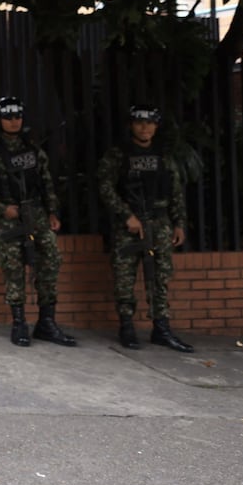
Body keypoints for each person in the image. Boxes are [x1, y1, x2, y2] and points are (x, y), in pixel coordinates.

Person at [0, 96, 77, 348]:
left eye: (17, 116)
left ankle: (47, 323)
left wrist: (52, 212)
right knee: (14, 269)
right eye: (8, 117)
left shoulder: (32, 149)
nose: (14, 121)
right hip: (10, 219)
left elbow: (46, 182)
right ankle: (19, 323)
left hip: (37, 215)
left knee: (50, 262)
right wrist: (1, 208)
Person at [96, 105, 194, 353]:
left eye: (150, 123)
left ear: (156, 126)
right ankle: (126, 327)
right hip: (128, 226)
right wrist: (126, 215)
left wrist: (179, 223)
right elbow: (105, 187)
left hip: (159, 224)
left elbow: (175, 191)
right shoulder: (118, 155)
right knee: (124, 278)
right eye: (140, 123)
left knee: (160, 278)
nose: (145, 127)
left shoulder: (163, 155)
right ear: (131, 125)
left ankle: (161, 328)